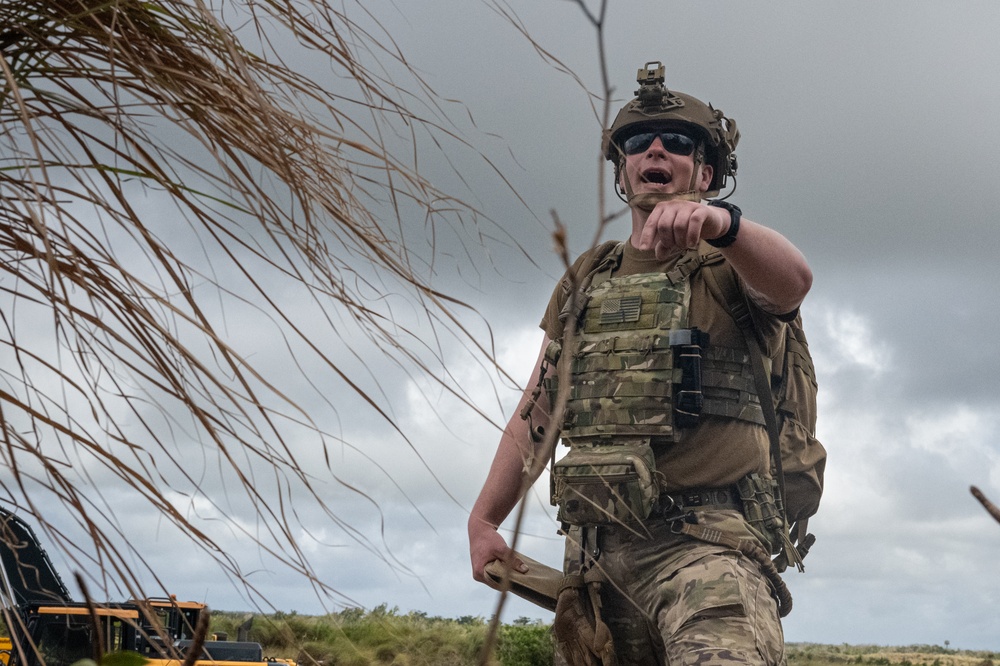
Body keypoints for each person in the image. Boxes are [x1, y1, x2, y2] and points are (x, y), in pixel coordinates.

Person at [468, 61, 812, 666]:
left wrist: (723, 225)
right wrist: (485, 517)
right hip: (596, 566)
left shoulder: (734, 265)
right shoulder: (589, 276)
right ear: (624, 170)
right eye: (637, 142)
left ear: (704, 172)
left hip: (708, 551)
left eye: (677, 143)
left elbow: (793, 283)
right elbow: (541, 408)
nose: (655, 149)